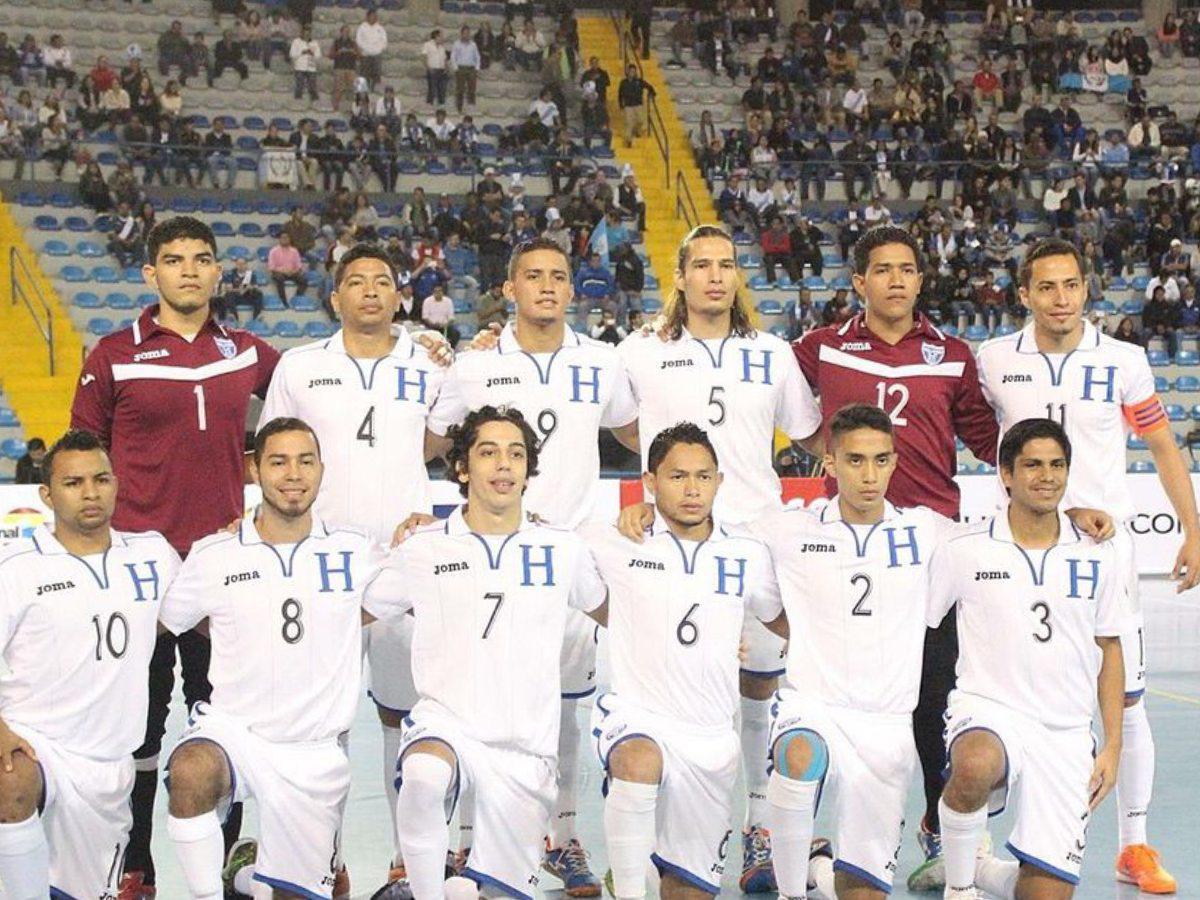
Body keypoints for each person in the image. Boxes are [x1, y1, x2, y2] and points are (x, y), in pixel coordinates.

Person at [417, 239, 640, 896]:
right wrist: (433, 363)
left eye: (559, 277)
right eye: (533, 277)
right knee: (470, 698)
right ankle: (463, 845)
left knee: (565, 709)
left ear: (574, 289)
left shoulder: (602, 362)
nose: (547, 286)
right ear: (509, 288)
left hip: (566, 559)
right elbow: (432, 442)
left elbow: (636, 433)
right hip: (488, 555)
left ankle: (563, 839)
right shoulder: (476, 364)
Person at [69, 216, 281, 898]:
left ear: (219, 272)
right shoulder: (111, 355)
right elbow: (81, 461)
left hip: (224, 566)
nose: (188, 270)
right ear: (149, 274)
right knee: (137, 724)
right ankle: (135, 862)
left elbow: (323, 388)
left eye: (201, 259)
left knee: (231, 718)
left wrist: (428, 347)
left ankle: (231, 859)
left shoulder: (249, 354)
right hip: (140, 571)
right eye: (173, 259)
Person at [975, 237, 1195, 895]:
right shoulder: (993, 361)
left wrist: (1194, 527)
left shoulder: (1124, 361)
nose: (1060, 298)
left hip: (1104, 555)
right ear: (1024, 294)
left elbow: (1160, 444)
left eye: (1071, 285)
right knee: (1001, 693)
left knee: (1127, 702)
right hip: (1017, 550)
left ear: (1085, 290)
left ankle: (1135, 844)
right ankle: (978, 845)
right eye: (1046, 287)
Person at [791, 224, 999, 892]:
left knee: (933, 696)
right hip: (843, 550)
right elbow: (746, 387)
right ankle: (801, 836)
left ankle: (942, 834)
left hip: (928, 551)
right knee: (827, 696)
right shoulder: (819, 349)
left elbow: (995, 443)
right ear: (859, 281)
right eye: (882, 270)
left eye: (907, 269)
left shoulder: (953, 355)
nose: (897, 281)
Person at [615, 224, 822, 894]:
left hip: (753, 538)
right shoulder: (641, 351)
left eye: (726, 265)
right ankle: (658, 842)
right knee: (672, 694)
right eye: (701, 264)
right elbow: (621, 422)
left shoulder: (772, 352)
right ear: (678, 276)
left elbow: (815, 434)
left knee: (760, 683)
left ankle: (759, 827)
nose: (713, 276)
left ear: (738, 277)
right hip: (671, 548)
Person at [258, 245, 449, 892]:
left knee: (407, 715)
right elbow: (275, 455)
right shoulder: (299, 366)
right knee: (324, 718)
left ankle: (407, 862)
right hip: (322, 563)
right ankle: (324, 859)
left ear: (401, 296)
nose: (371, 291)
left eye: (384, 283)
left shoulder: (429, 361)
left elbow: (443, 437)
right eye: (355, 282)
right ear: (334, 297)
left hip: (406, 559)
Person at [363, 405, 609, 899]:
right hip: (446, 726)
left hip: (525, 750)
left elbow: (620, 616)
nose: (503, 464)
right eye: (488, 452)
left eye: (516, 454)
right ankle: (426, 888)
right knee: (425, 774)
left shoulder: (563, 548)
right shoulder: (423, 547)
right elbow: (351, 614)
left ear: (528, 469)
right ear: (461, 467)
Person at [160, 417, 383, 899]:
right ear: (254, 469)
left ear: (323, 469)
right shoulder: (214, 553)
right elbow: (167, 621)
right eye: (278, 462)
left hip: (313, 750)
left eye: (305, 461)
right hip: (235, 732)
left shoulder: (356, 551)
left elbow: (389, 599)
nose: (293, 474)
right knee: (191, 770)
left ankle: (248, 873)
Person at [736, 404, 950, 900]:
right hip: (815, 705)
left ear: (896, 462)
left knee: (862, 891)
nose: (868, 474)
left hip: (887, 724)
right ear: (829, 464)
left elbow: (1010, 539)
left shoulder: (927, 532)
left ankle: (821, 870)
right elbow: (705, 541)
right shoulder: (787, 528)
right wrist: (646, 512)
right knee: (799, 754)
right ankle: (792, 890)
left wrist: (1072, 516)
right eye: (854, 460)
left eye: (880, 460)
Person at [930, 419, 1130, 900]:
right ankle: (960, 887)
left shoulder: (1099, 553)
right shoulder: (964, 550)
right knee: (975, 766)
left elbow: (1110, 648)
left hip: (1064, 732)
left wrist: (1113, 746)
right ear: (1005, 474)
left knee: (1044, 894)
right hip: (989, 709)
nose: (1047, 476)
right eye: (1033, 465)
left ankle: (984, 871)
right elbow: (911, 626)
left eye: (1057, 465)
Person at [591, 422, 786, 899]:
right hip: (639, 718)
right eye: (677, 477)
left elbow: (784, 621)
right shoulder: (613, 541)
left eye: (703, 476)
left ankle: (644, 872)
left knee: (689, 891)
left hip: (712, 740)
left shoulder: (748, 554)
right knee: (637, 763)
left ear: (720, 481)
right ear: (651, 482)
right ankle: (633, 884)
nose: (693, 488)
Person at [0, 430, 180, 900]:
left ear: (117, 484)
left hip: (108, 766)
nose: (90, 492)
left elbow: (197, 613)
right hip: (38, 747)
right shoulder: (17, 568)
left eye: (100, 479)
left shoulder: (153, 556)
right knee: (9, 777)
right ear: (47, 494)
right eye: (73, 482)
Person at [617, 63, 655, 148]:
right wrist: (620, 104)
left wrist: (652, 93)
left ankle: (637, 131)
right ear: (627, 72)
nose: (632, 73)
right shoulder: (623, 82)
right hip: (628, 105)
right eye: (630, 71)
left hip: (638, 104)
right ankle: (629, 140)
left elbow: (649, 87)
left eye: (633, 71)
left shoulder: (639, 81)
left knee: (641, 120)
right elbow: (620, 94)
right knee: (629, 123)